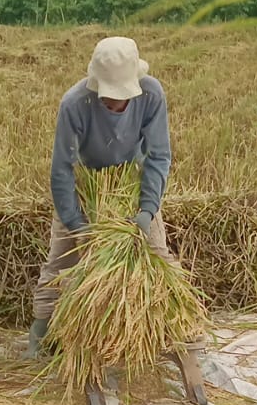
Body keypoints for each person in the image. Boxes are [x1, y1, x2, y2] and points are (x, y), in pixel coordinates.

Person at [25, 36, 174, 359]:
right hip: (86, 184)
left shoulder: (151, 94)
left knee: (158, 256)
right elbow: (62, 169)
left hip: (128, 186)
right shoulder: (75, 103)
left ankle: (177, 333)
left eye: (120, 98)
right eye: (108, 98)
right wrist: (77, 225)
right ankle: (40, 333)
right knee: (60, 262)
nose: (113, 104)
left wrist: (147, 210)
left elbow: (158, 156)